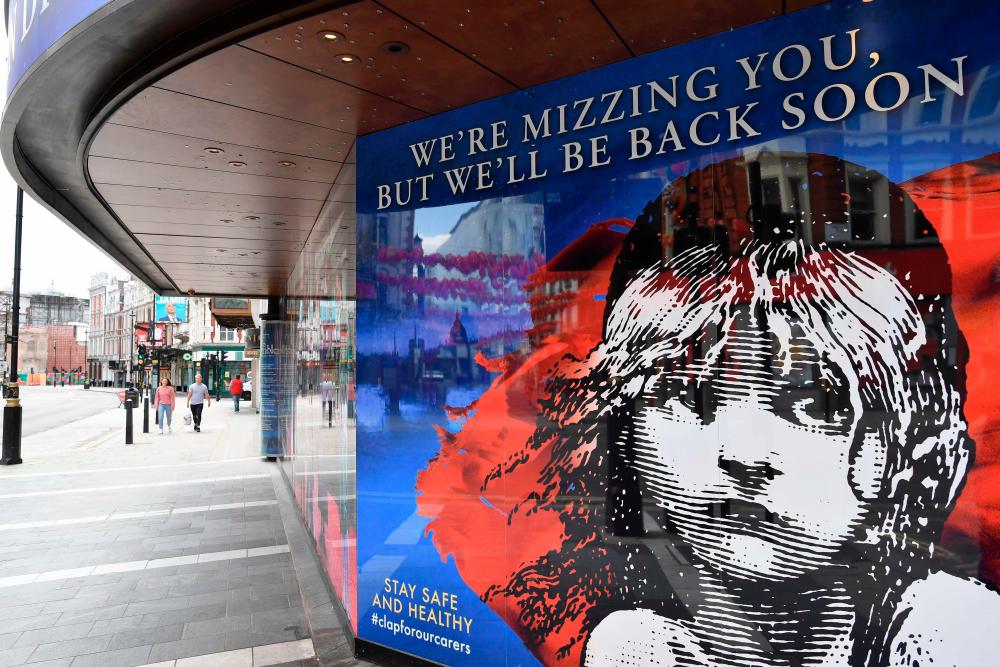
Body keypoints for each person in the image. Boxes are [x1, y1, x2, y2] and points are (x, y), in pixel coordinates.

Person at [484, 155, 1000, 666]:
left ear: (910, 446)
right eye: (688, 395)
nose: (744, 453)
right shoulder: (634, 648)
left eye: (814, 403)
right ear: (626, 429)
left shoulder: (951, 634)